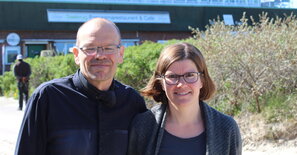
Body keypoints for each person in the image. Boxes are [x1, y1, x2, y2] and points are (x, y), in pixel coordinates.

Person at [15, 18, 147, 155]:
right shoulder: (47, 98)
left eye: (109, 48)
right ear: (76, 55)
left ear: (120, 54)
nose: (100, 55)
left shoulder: (133, 102)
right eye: (90, 48)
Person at [128, 42, 242, 155]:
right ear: (162, 83)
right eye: (172, 76)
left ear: (202, 80)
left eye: (190, 75)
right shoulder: (143, 126)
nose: (181, 84)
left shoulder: (226, 128)